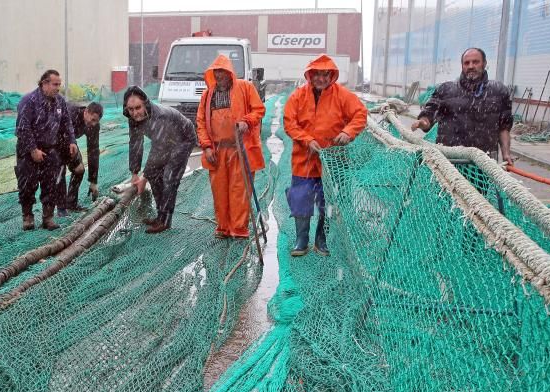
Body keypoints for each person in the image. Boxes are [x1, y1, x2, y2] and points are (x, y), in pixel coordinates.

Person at [283, 54, 367, 257]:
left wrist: (348, 132)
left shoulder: (343, 95)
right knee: (301, 199)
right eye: (316, 74)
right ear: (310, 75)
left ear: (331, 76)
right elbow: (289, 123)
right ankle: (301, 239)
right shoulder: (297, 96)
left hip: (333, 161)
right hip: (304, 160)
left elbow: (360, 114)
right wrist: (306, 139)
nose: (320, 78)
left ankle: (322, 239)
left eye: (325, 74)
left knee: (328, 202)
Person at [195, 54, 266, 239]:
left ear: (230, 73)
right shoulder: (207, 95)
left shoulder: (245, 87)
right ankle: (223, 227)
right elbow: (201, 122)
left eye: (222, 72)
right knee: (220, 192)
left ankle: (239, 228)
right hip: (217, 151)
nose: (219, 75)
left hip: (241, 149)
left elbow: (259, 110)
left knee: (239, 190)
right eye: (216, 72)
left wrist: (246, 122)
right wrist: (207, 147)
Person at [411, 47, 513, 164]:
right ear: (462, 65)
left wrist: (506, 154)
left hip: (485, 163)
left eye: (475, 62)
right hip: (450, 161)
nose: (470, 66)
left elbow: (504, 128)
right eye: (466, 63)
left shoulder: (499, 91)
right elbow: (429, 114)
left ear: (484, 64)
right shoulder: (445, 90)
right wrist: (423, 122)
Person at [123, 86, 198, 234]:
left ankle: (165, 221)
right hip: (165, 141)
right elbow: (135, 144)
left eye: (138, 108)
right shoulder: (133, 119)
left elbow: (158, 151)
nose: (135, 113)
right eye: (131, 109)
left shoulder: (160, 117)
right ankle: (160, 215)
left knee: (169, 177)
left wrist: (143, 177)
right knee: (154, 175)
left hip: (183, 139)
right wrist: (135, 173)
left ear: (145, 104)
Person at [15, 69, 78, 230]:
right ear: (44, 83)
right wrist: (32, 149)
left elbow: (67, 123)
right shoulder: (29, 101)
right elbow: (23, 128)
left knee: (50, 184)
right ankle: (28, 217)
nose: (58, 88)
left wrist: (71, 141)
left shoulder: (59, 102)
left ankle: (47, 217)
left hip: (51, 149)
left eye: (59, 84)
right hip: (28, 151)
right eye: (55, 84)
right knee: (27, 184)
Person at [55, 102, 103, 215]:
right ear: (86, 112)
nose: (93, 124)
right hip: (54, 141)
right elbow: (56, 133)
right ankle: (60, 207)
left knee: (79, 169)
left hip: (70, 143)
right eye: (92, 120)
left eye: (96, 121)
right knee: (60, 171)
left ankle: (71, 203)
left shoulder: (94, 125)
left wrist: (93, 181)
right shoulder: (70, 114)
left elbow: (93, 151)